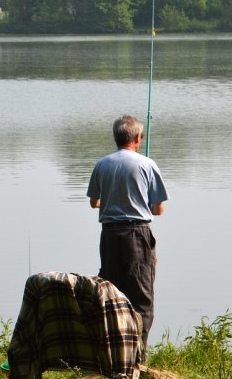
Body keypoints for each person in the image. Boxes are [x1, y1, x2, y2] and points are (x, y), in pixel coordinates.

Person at [86, 115, 169, 347]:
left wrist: (114, 201)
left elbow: (94, 202)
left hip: (110, 235)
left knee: (112, 292)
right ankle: (137, 354)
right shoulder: (147, 164)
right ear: (137, 138)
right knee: (141, 297)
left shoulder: (102, 164)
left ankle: (112, 349)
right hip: (137, 234)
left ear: (116, 137)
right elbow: (158, 209)